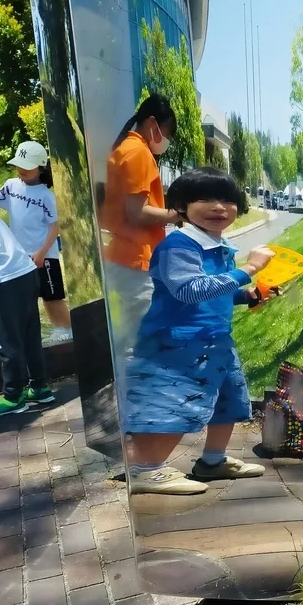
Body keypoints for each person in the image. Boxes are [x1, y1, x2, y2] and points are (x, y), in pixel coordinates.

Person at [123, 168, 273, 495]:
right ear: (182, 206)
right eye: (205, 198)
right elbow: (190, 290)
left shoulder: (219, 246)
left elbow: (214, 291)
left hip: (215, 340)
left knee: (229, 401)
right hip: (177, 345)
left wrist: (246, 295)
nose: (219, 207)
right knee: (172, 404)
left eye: (227, 200)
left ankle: (212, 461)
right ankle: (146, 470)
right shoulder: (178, 246)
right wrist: (247, 270)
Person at [101, 93, 179, 358]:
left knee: (130, 336)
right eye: (168, 132)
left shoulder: (124, 149)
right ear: (153, 124)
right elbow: (137, 212)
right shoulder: (138, 153)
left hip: (123, 256)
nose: (166, 140)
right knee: (144, 339)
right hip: (135, 258)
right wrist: (176, 215)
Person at [0, 141, 71, 346]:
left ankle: (67, 331)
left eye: (27, 167)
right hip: (20, 257)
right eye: (19, 165)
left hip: (45, 256)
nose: (21, 170)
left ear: (40, 167)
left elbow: (55, 227)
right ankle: (48, 333)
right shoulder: (10, 186)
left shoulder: (46, 196)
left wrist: (42, 253)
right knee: (28, 299)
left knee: (51, 296)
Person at [0, 208, 52, 416]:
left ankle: (13, 396)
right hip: (26, 271)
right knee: (29, 335)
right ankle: (39, 387)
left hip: (7, 279)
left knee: (8, 340)